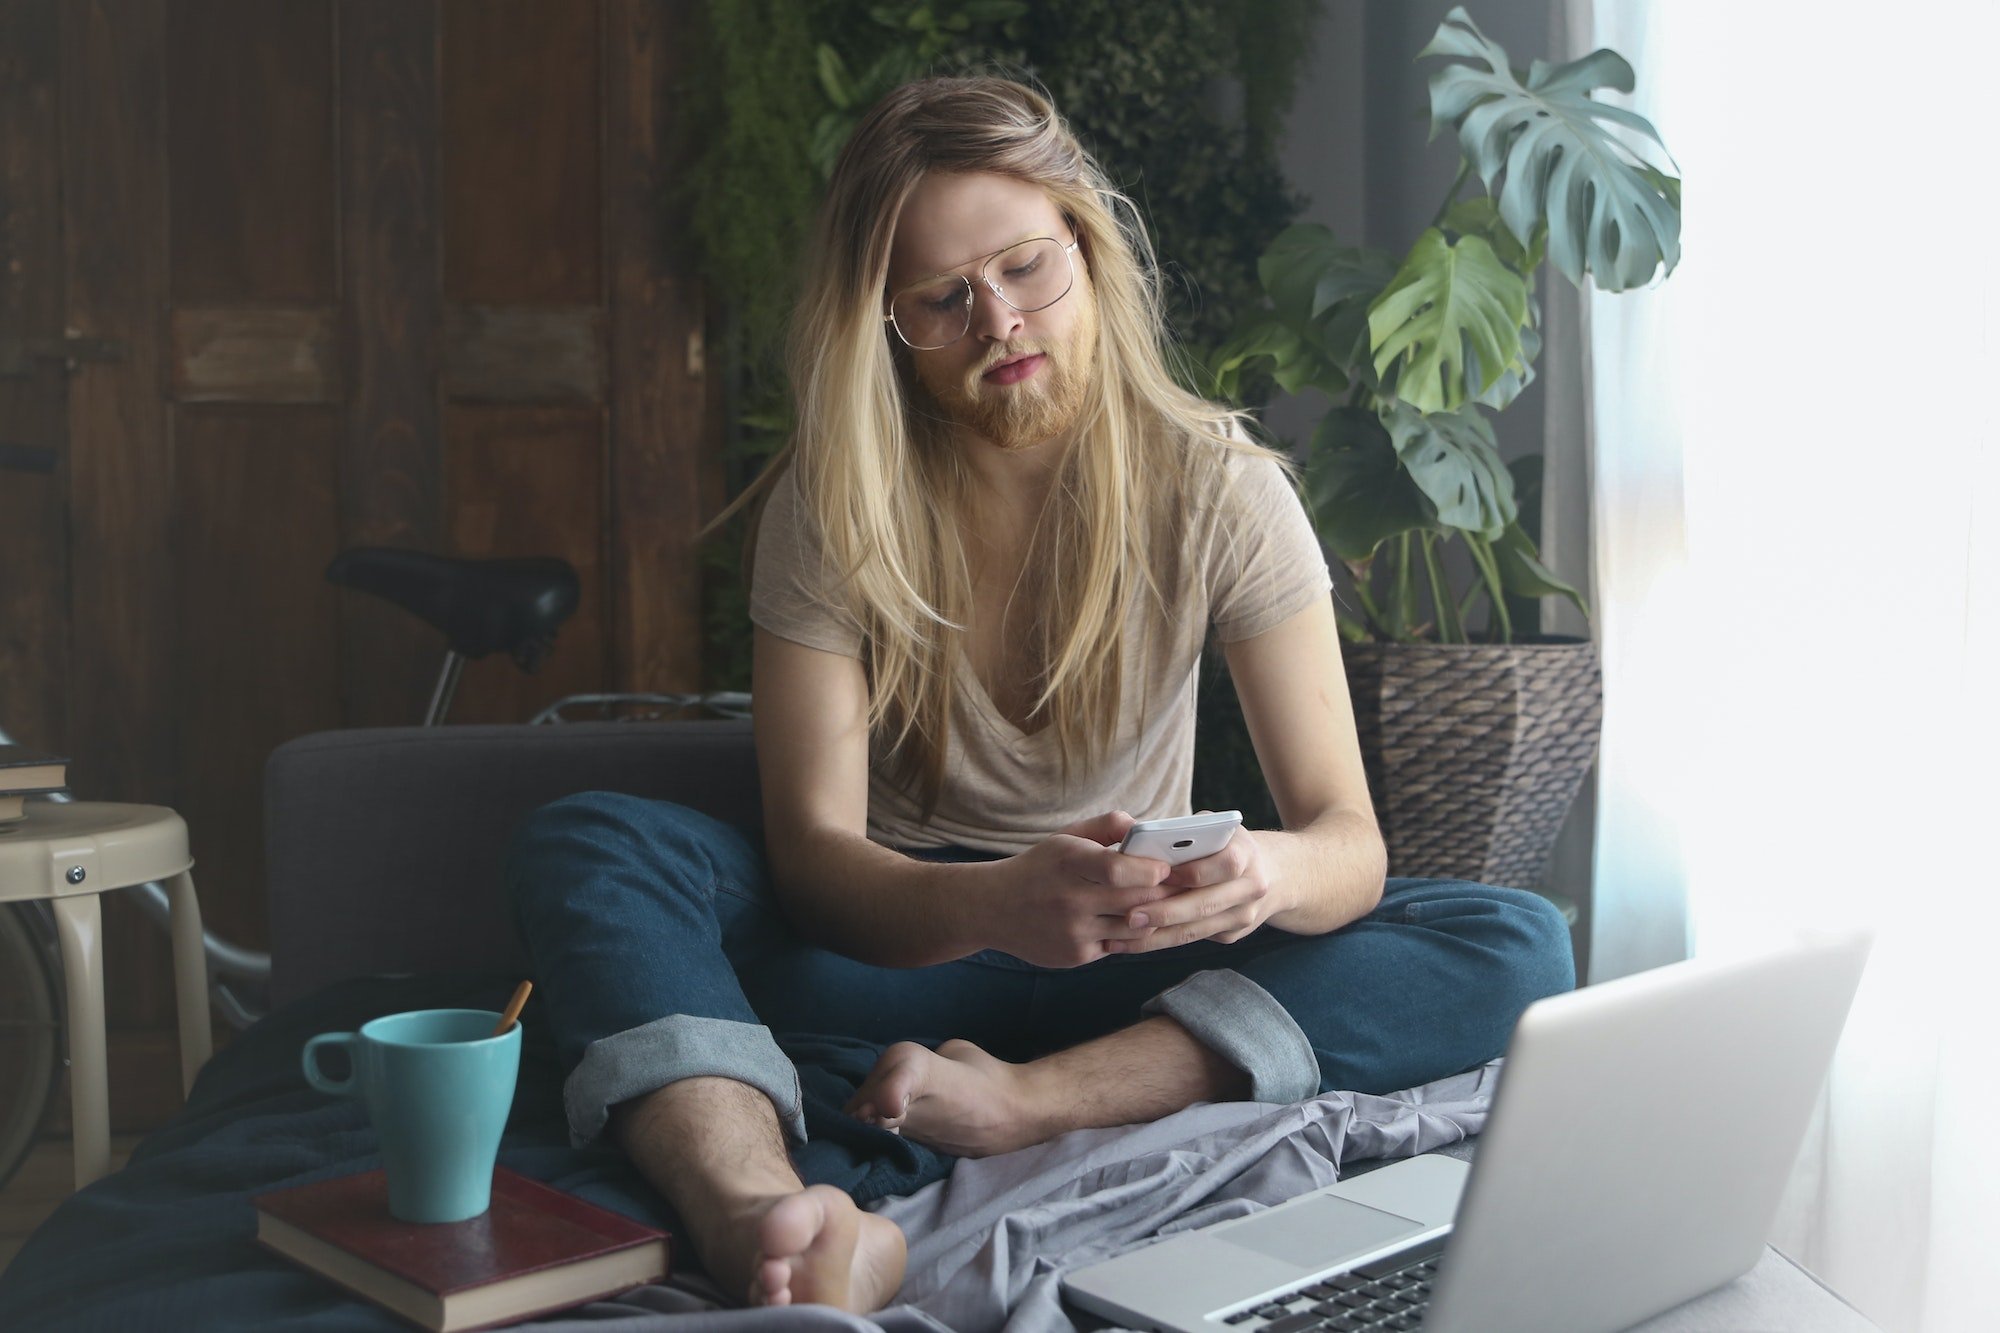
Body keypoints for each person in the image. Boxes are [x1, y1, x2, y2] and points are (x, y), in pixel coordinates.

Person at [505, 75, 1574, 1316]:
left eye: (1024, 267)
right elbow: (810, 862)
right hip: (898, 945)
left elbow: (1348, 840)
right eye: (940, 300)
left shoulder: (1220, 487)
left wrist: (1265, 874)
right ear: (885, 322)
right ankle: (763, 1222)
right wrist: (994, 903)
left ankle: (1028, 1104)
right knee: (587, 842)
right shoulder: (831, 501)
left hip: (1132, 976)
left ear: (1086, 245)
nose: (998, 320)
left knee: (1514, 939)